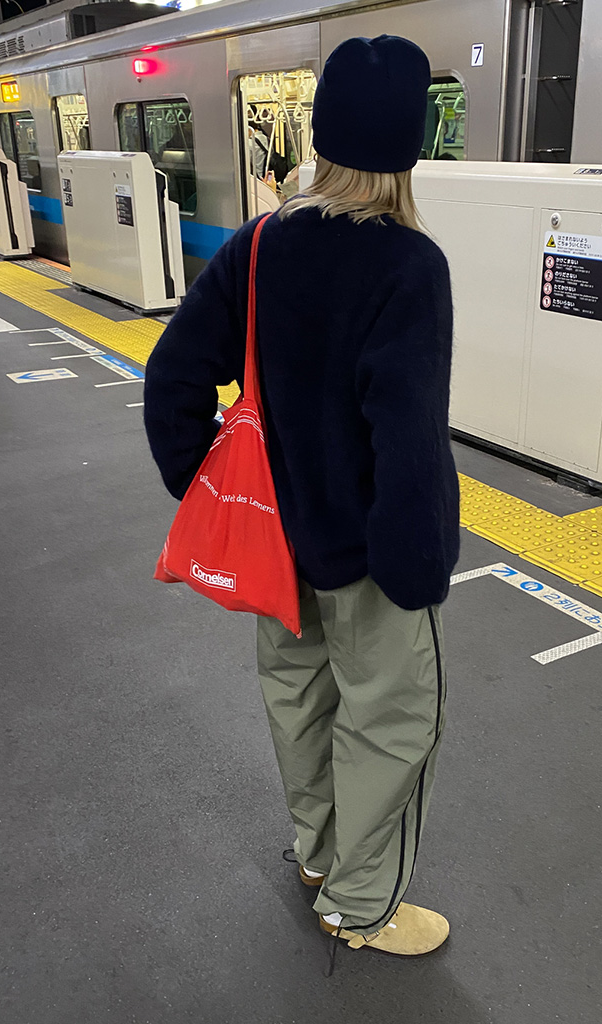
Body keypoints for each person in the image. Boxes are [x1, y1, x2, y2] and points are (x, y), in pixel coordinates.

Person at [143, 35, 459, 961]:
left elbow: (172, 376)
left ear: (320, 133)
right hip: (365, 553)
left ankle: (320, 857)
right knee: (392, 720)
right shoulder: (409, 265)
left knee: (299, 700)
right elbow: (406, 437)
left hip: (273, 542)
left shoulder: (259, 245)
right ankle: (363, 906)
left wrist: (199, 478)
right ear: (409, 145)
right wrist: (416, 568)